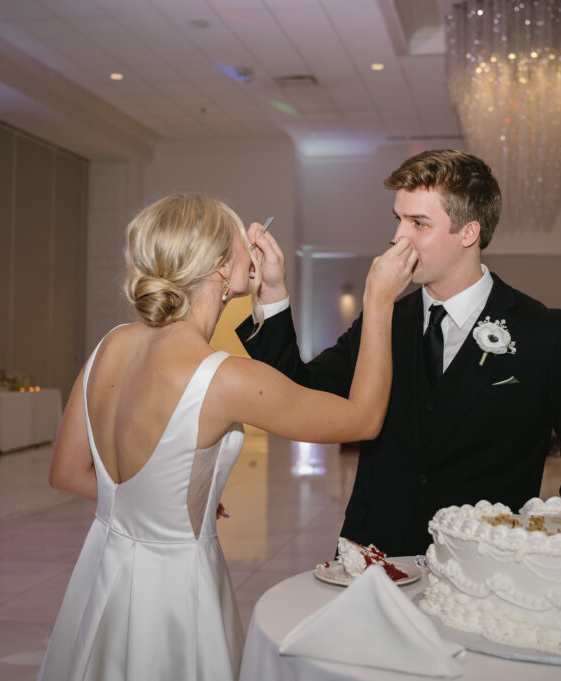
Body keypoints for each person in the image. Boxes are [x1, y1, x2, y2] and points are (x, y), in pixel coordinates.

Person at [39, 195, 416, 681]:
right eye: (244, 241)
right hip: (173, 589)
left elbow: (66, 472)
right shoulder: (227, 378)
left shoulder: (111, 343)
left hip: (103, 572)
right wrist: (379, 300)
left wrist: (160, 501)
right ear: (221, 265)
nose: (253, 249)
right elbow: (362, 419)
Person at [237, 149, 561, 557]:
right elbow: (296, 392)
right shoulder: (386, 318)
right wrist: (274, 294)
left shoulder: (545, 333)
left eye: (419, 223)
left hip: (484, 566)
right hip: (376, 557)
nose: (399, 237)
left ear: (468, 233)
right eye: (398, 219)